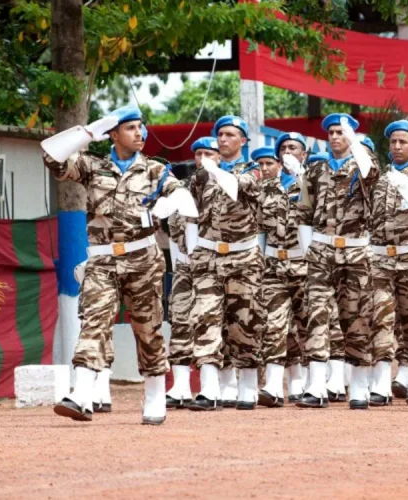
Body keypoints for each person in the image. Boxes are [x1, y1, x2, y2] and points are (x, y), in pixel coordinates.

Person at [42, 106, 191, 425]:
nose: (140, 133)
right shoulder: (92, 166)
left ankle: (154, 393)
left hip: (142, 259)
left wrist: (165, 206)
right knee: (93, 320)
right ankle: (81, 395)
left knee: (147, 328)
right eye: (131, 128)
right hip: (102, 258)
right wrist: (87, 133)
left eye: (141, 127)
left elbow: (184, 199)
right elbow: (51, 157)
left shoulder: (154, 169)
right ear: (113, 133)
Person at [297, 113, 380, 409]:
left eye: (341, 132)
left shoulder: (364, 161)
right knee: (317, 313)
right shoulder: (316, 166)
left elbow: (371, 173)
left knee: (355, 316)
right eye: (331, 132)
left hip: (356, 252)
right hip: (322, 250)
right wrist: (309, 249)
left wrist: (354, 138)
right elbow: (304, 209)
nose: (335, 137)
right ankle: (317, 386)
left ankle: (358, 385)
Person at [186, 115, 263, 411]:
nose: (223, 139)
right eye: (220, 135)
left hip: (243, 257)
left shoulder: (254, 171)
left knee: (244, 321)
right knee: (204, 317)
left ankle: (246, 385)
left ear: (243, 141)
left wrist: (214, 170)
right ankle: (208, 388)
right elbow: (191, 211)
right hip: (208, 256)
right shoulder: (201, 176)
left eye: (230, 135)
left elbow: (239, 185)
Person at [367, 120, 408, 406]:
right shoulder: (379, 177)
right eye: (394, 142)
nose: (398, 147)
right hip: (381, 258)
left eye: (404, 142)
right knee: (381, 317)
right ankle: (379, 380)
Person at [252, 134, 310, 407]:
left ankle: (308, 381)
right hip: (274, 266)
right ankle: (274, 385)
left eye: (293, 148)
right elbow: (260, 230)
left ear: (303, 154)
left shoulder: (313, 183)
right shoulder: (267, 189)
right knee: (274, 324)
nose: (287, 152)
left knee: (307, 325)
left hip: (307, 266)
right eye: (283, 149)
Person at [165, 138, 219, 409]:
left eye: (208, 153)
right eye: (198, 153)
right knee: (180, 321)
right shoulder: (181, 190)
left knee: (211, 323)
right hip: (186, 266)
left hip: (216, 266)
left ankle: (214, 387)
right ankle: (181, 386)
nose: (202, 158)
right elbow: (173, 231)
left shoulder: (226, 188)